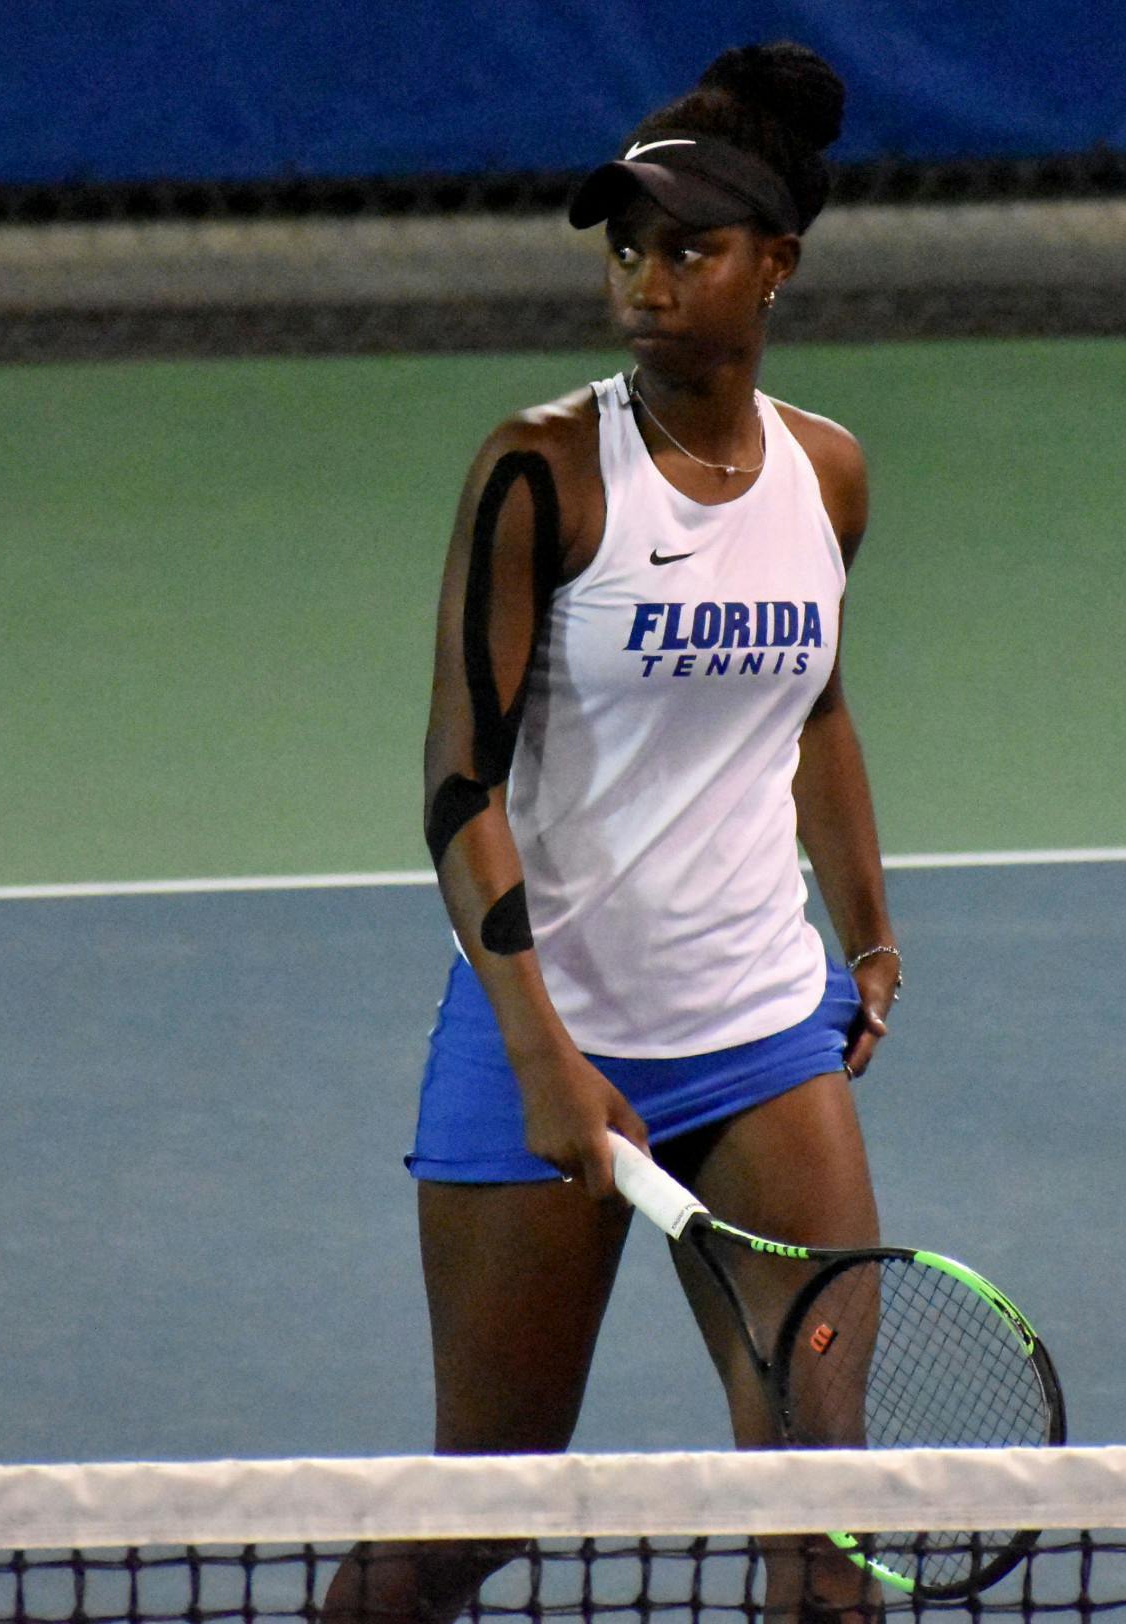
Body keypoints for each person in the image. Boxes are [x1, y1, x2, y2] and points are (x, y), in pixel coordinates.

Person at [326, 41, 901, 1624]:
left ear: (774, 264)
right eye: (626, 249)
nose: (647, 282)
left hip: (762, 1039)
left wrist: (864, 923)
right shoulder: (545, 475)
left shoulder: (828, 477)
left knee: (825, 1509)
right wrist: (542, 1061)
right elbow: (457, 788)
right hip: (551, 1040)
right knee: (486, 1505)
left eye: (689, 249)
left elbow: (819, 708)